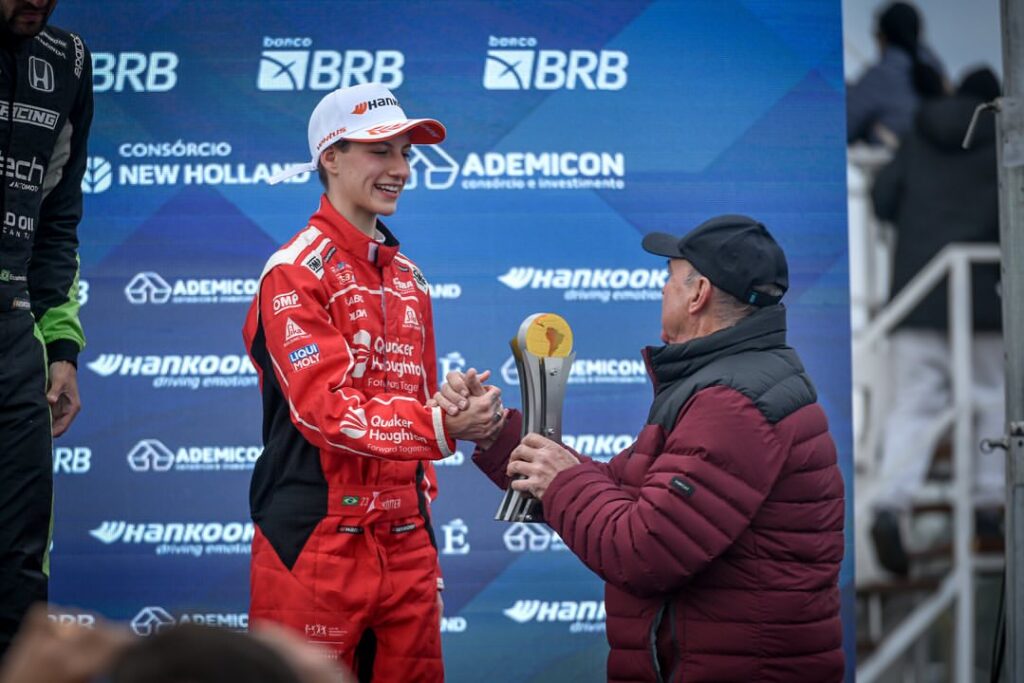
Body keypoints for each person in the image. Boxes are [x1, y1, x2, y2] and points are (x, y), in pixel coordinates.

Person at [441, 216, 845, 682]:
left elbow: (645, 550)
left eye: (669, 277)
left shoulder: (733, 403)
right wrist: (496, 434)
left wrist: (561, 480)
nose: (662, 289)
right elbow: (620, 491)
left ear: (698, 294)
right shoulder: (728, 384)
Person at [243, 82, 502, 681]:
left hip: (407, 542)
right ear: (330, 157)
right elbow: (325, 412)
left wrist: (451, 407)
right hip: (316, 542)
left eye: (405, 153)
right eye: (380, 151)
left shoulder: (411, 278)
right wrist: (441, 424)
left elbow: (418, 417)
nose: (401, 169)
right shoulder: (294, 273)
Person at [869, 67, 1004, 575]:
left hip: (918, 296)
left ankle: (889, 506)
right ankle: (988, 507)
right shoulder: (1005, 141)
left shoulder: (918, 134)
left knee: (914, 408)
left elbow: (883, 198)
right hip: (983, 298)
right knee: (992, 399)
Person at [0, 0, 92, 659]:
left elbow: (57, 215)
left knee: (20, 559)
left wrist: (61, 347)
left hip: (14, 332)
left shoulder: (68, 60)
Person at [847, 1, 946, 147]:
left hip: (896, 158)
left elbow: (846, 125)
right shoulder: (936, 67)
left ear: (883, 36)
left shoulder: (881, 75)